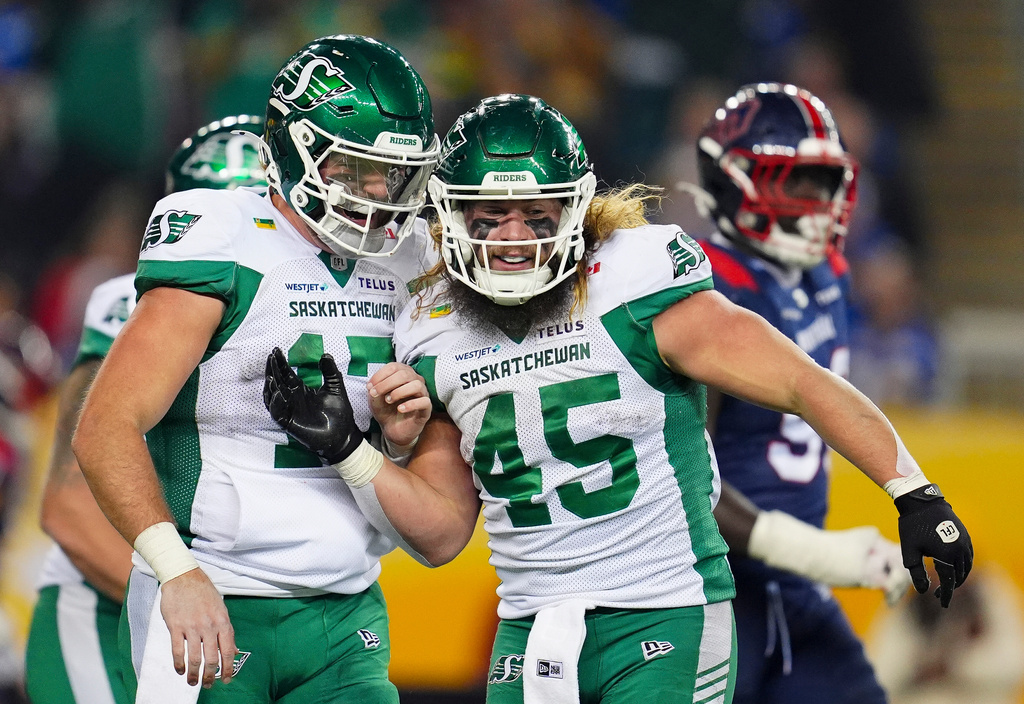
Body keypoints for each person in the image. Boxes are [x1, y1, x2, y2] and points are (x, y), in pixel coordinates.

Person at [262, 93, 974, 704]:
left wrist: (912, 490)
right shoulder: (429, 323)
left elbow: (801, 382)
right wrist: (353, 451)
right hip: (531, 624)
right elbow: (444, 532)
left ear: (576, 207)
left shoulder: (633, 283)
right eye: (488, 215)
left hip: (663, 609)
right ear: (450, 216)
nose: (512, 238)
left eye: (535, 213)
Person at [72, 35, 439, 702]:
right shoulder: (222, 233)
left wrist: (402, 434)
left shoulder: (412, 257)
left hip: (348, 604)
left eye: (391, 173)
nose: (377, 195)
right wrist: (175, 571)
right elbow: (105, 426)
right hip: (214, 591)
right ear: (295, 151)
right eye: (352, 170)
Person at [24, 114, 268, 704]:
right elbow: (67, 507)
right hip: (110, 610)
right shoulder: (130, 302)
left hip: (215, 615)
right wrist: (184, 596)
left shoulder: (304, 300)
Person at [687, 82, 916, 704]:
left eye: (824, 183)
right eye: (795, 182)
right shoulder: (702, 289)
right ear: (735, 179)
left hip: (793, 590)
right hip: (710, 591)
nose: (818, 204)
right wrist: (815, 553)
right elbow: (682, 480)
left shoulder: (827, 275)